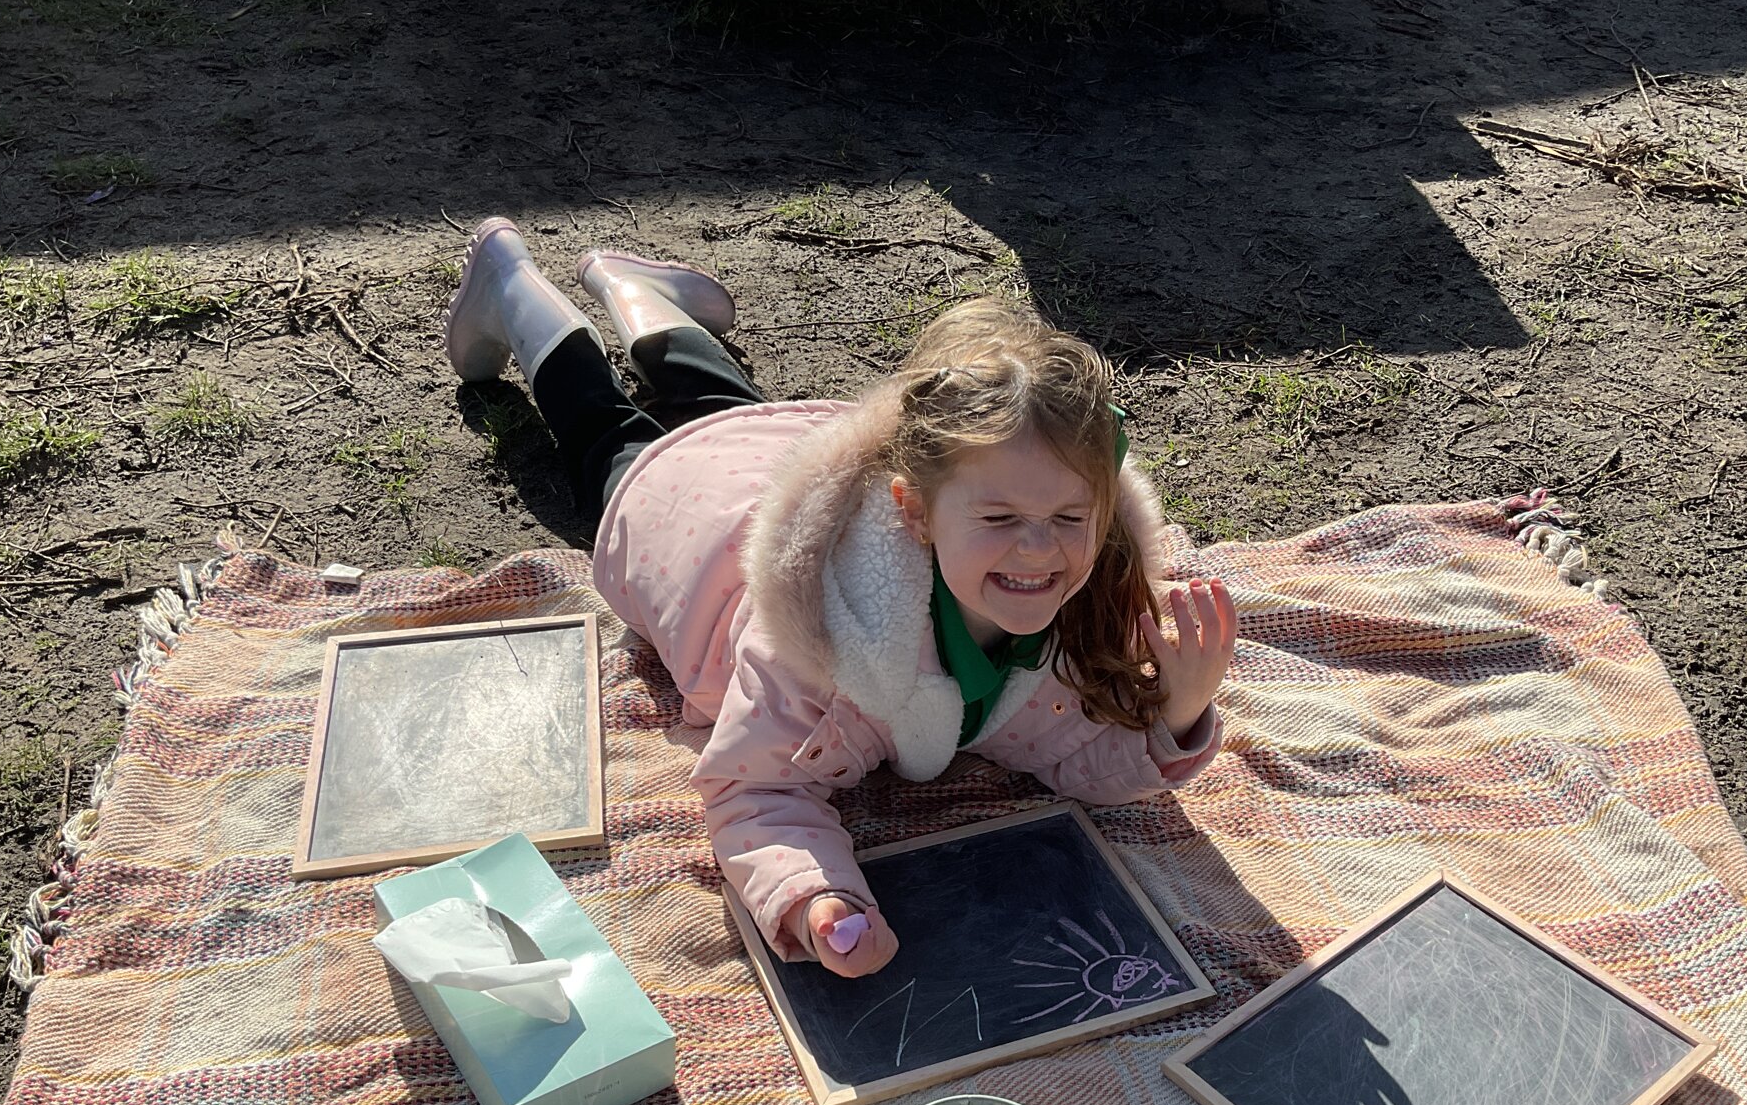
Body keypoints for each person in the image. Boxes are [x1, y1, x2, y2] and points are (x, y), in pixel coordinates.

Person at [444, 218, 1237, 979]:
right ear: (914, 510)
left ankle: (631, 288)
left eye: (1070, 518)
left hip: (787, 455)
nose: (1040, 549)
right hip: (686, 511)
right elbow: (755, 787)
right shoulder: (819, 643)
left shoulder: (1078, 600)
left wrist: (1177, 713)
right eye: (1001, 519)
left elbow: (1070, 753)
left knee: (735, 405)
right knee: (608, 434)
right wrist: (813, 893)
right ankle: (509, 279)